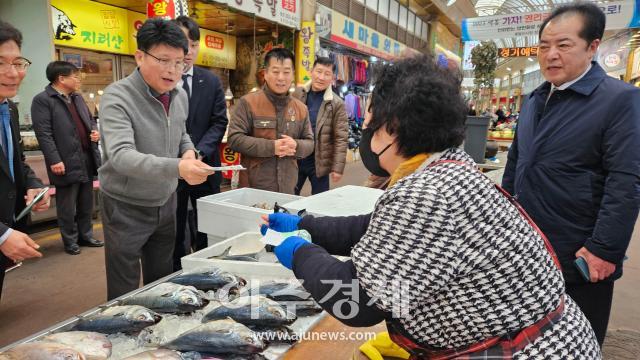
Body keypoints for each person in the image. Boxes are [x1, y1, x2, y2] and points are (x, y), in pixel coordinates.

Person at [262, 54, 601, 358]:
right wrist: (306, 224)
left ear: (393, 128)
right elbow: (380, 226)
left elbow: (359, 302)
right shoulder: (450, 166)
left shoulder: (427, 193)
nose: (365, 134)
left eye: (369, 126)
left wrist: (297, 251)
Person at [502, 2, 640, 346]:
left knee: (577, 340)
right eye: (544, 46)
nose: (551, 55)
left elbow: (627, 180)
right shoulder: (534, 99)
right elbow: (515, 165)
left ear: (593, 47)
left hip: (580, 254)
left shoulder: (620, 100)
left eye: (563, 45)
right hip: (528, 248)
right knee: (528, 339)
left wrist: (604, 250)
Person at [99, 18, 211, 300]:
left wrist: (188, 151)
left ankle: (156, 333)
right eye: (163, 60)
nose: (172, 70)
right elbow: (121, 157)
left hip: (166, 202)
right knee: (123, 286)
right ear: (139, 56)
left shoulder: (178, 95)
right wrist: (178, 167)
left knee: (160, 281)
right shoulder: (117, 96)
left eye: (179, 62)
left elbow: (181, 131)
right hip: (126, 205)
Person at [172, 16, 228, 270]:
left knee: (208, 226)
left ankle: (207, 270)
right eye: (184, 43)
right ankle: (177, 274)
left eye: (194, 44)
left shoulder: (212, 81)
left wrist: (199, 153)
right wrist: (183, 157)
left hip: (206, 167)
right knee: (175, 228)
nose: (189, 51)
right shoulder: (162, 81)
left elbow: (219, 122)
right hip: (172, 168)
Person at [31, 61, 103, 256]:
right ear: (61, 79)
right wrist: (54, 159)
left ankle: (86, 236)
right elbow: (44, 134)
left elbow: (89, 121)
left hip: (86, 158)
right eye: (75, 76)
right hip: (64, 160)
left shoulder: (77, 98)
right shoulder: (43, 100)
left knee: (86, 202)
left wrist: (94, 133)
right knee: (67, 205)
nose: (78, 79)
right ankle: (70, 240)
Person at [0, 20, 50, 300]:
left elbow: (17, 160)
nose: (12, 73)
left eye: (18, 63)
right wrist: (3, 235)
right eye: (0, 63)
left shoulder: (9, 109)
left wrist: (32, 184)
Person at [227, 48, 313, 194]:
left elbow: (310, 143)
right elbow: (234, 139)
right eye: (275, 71)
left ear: (292, 75)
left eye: (286, 72)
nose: (281, 77)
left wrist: (296, 145)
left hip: (288, 188)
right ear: (265, 74)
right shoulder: (247, 103)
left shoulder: (301, 108)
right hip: (253, 188)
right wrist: (271, 147)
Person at [291, 57, 348, 195]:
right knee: (288, 197)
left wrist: (337, 168)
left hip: (319, 161)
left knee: (320, 201)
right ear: (312, 72)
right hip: (295, 158)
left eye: (327, 74)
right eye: (319, 71)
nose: (321, 77)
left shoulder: (336, 103)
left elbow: (341, 137)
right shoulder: (297, 93)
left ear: (332, 78)